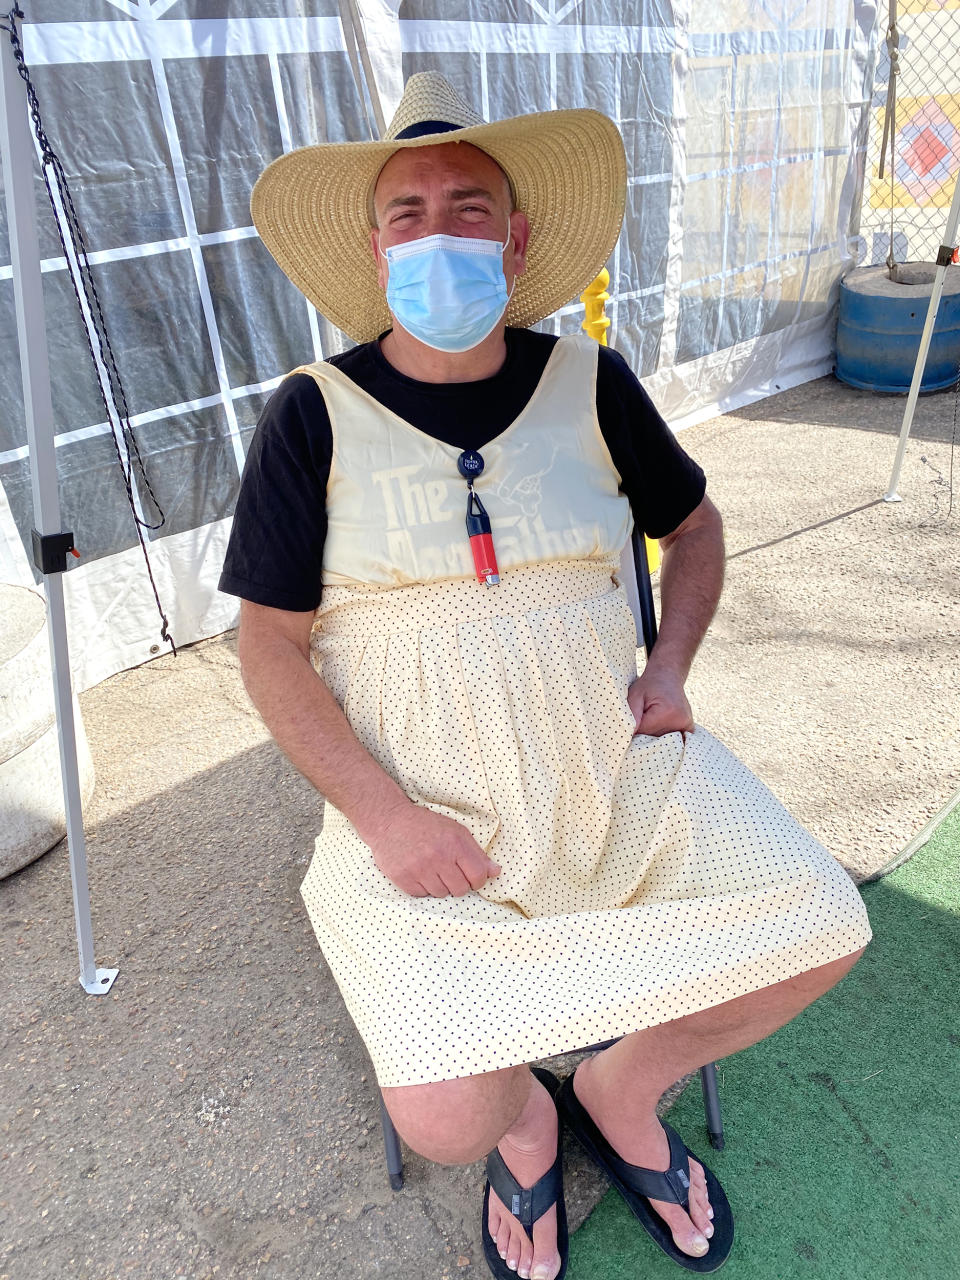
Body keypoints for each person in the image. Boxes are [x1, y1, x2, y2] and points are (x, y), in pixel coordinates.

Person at [219, 72, 872, 1280]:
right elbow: (267, 641)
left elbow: (699, 527)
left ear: (514, 238)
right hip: (428, 815)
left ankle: (623, 1091)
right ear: (375, 246)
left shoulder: (590, 382)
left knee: (825, 925)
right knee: (445, 1115)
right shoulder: (310, 412)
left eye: (468, 207)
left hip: (614, 770)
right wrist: (383, 816)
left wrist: (671, 664)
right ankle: (527, 1114)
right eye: (406, 211)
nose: (437, 232)